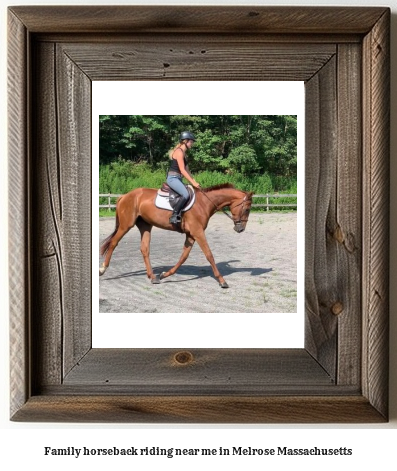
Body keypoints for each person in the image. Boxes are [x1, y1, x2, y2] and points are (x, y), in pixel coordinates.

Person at [166, 131, 200, 224]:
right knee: (185, 194)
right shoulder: (179, 152)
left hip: (178, 179)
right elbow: (182, 170)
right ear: (185, 141)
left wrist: (194, 182)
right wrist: (193, 183)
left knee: (191, 191)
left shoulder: (184, 154)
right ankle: (174, 215)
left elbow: (187, 170)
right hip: (172, 178)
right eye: (191, 142)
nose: (192, 144)